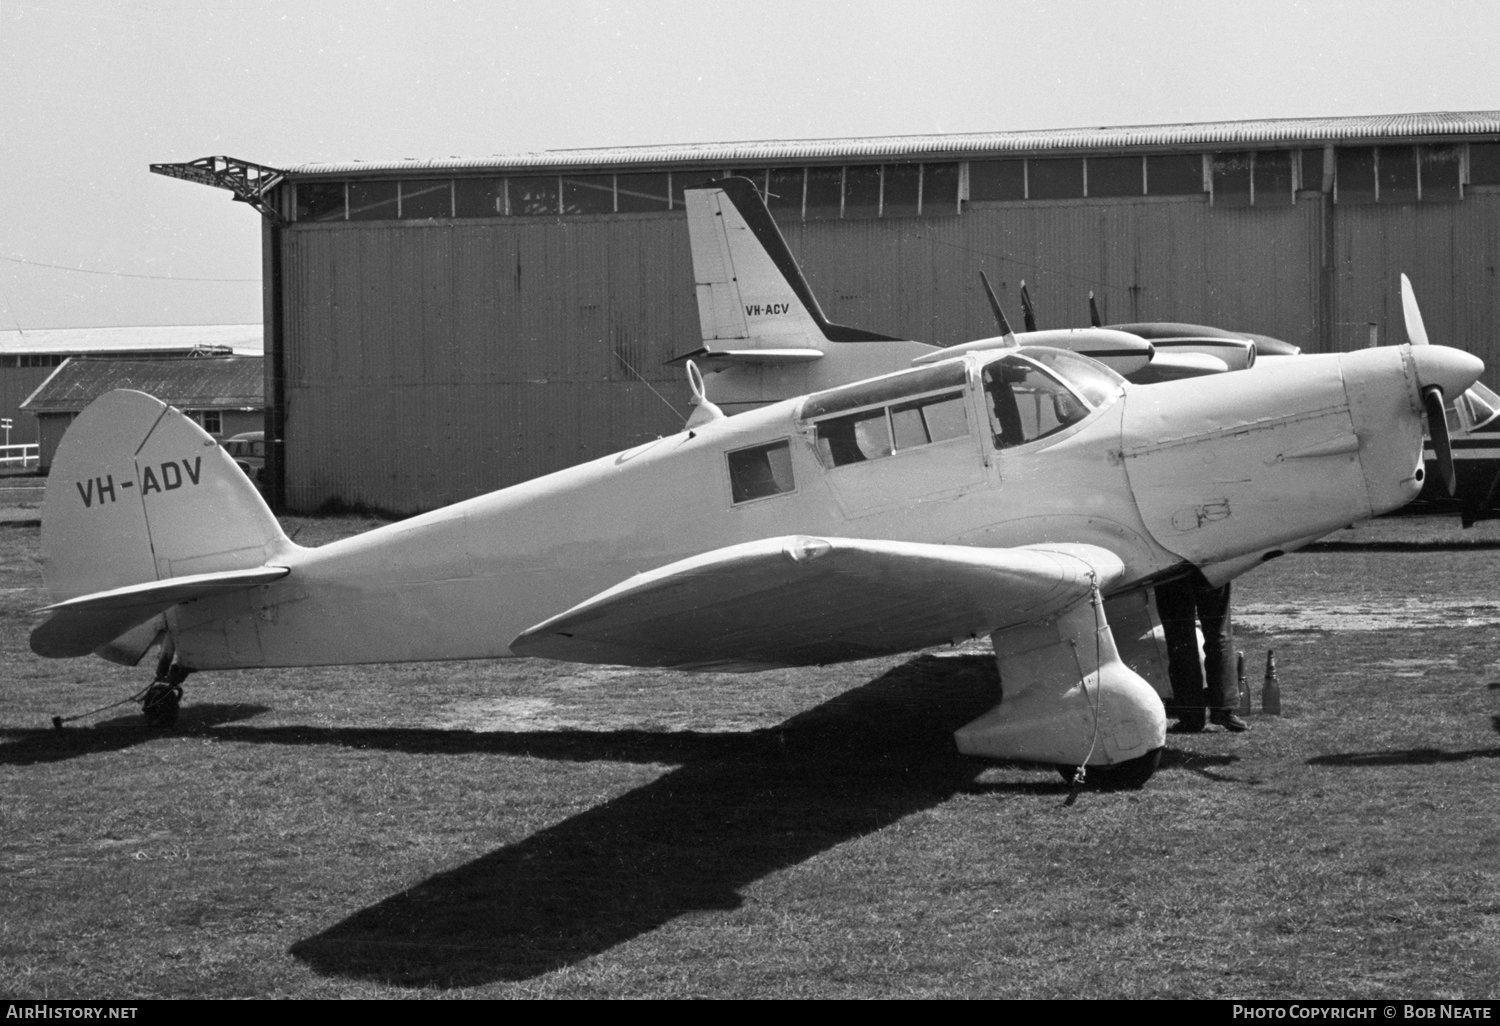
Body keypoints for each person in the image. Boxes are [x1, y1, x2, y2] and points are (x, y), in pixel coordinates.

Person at [1155, 577, 1250, 733]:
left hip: (1171, 570)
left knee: (1180, 641)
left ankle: (1191, 716)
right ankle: (1223, 710)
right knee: (1219, 635)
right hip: (1210, 565)